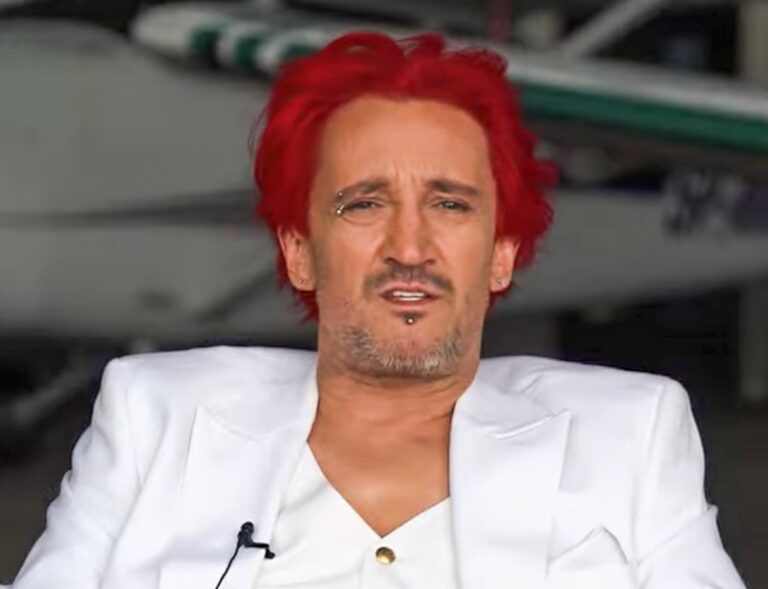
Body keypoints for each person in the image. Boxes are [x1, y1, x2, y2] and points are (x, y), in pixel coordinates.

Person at [11, 32, 745, 589]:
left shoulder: (630, 433)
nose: (409, 247)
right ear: (300, 251)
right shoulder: (153, 415)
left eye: (449, 204)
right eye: (364, 204)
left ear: (502, 253)